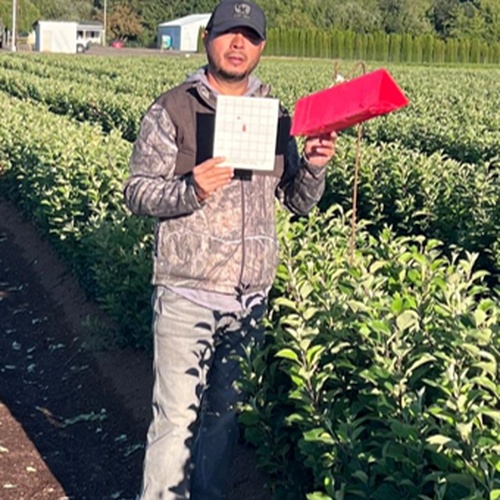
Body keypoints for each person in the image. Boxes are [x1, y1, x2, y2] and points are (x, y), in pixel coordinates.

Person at [123, 1, 337, 498]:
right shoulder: (175, 107)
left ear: (261, 47)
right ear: (207, 40)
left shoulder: (272, 113)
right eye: (228, 33)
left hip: (249, 300)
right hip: (186, 293)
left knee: (223, 424)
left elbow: (298, 201)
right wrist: (190, 189)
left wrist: (315, 165)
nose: (238, 44)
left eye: (250, 36)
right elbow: (135, 191)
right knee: (175, 422)